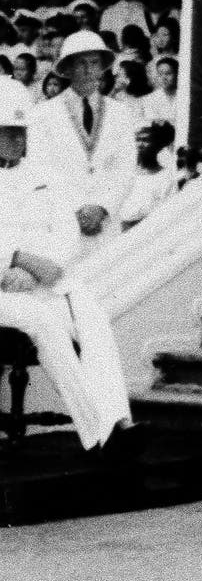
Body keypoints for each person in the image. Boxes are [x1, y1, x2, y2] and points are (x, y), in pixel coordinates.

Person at [0, 98, 146, 458]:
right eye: (8, 133)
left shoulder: (44, 177)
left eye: (21, 132)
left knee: (93, 318)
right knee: (47, 324)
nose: (17, 140)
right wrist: (17, 259)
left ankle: (117, 420)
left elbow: (66, 233)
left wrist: (37, 271)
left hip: (43, 281)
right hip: (5, 284)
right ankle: (97, 430)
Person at [27, 31, 140, 265]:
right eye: (81, 63)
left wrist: (103, 207)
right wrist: (76, 209)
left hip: (107, 223)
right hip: (65, 222)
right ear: (67, 68)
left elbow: (126, 167)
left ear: (103, 67)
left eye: (94, 63)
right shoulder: (43, 114)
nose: (89, 71)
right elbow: (41, 169)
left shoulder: (120, 112)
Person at [118, 122, 179, 230]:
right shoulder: (128, 174)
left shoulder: (165, 177)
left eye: (146, 140)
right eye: (138, 140)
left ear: (156, 144)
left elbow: (165, 213)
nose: (140, 144)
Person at [144, 56, 178, 126]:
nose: (163, 78)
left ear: (177, 74)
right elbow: (153, 123)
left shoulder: (185, 96)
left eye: (168, 73)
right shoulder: (150, 99)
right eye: (160, 74)